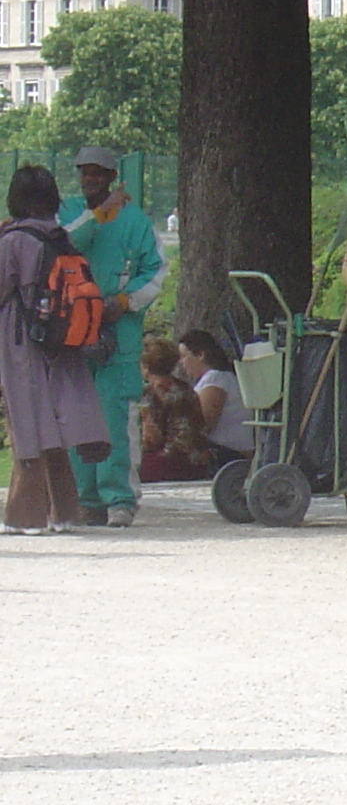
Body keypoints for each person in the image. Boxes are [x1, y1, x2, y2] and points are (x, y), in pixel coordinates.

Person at [1, 166, 110, 534]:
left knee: (27, 425)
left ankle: (24, 516)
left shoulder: (13, 240)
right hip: (63, 343)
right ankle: (64, 511)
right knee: (57, 427)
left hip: (21, 341)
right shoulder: (61, 237)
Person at [59, 147, 164, 526]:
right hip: (73, 330)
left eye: (98, 173)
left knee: (115, 418)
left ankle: (118, 498)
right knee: (75, 417)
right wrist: (100, 214)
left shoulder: (136, 222)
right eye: (85, 172)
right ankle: (84, 498)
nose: (91, 179)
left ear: (110, 175)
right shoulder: (68, 212)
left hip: (118, 333)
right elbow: (66, 243)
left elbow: (155, 273)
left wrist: (125, 300)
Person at [174, 330, 256, 471]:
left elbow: (203, 425)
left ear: (200, 355)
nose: (181, 363)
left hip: (228, 455)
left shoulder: (216, 379)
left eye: (183, 357)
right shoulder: (213, 379)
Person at [136, 336, 210, 481]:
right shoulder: (148, 393)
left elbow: (181, 446)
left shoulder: (179, 395)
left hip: (184, 462)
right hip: (164, 455)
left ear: (146, 366)